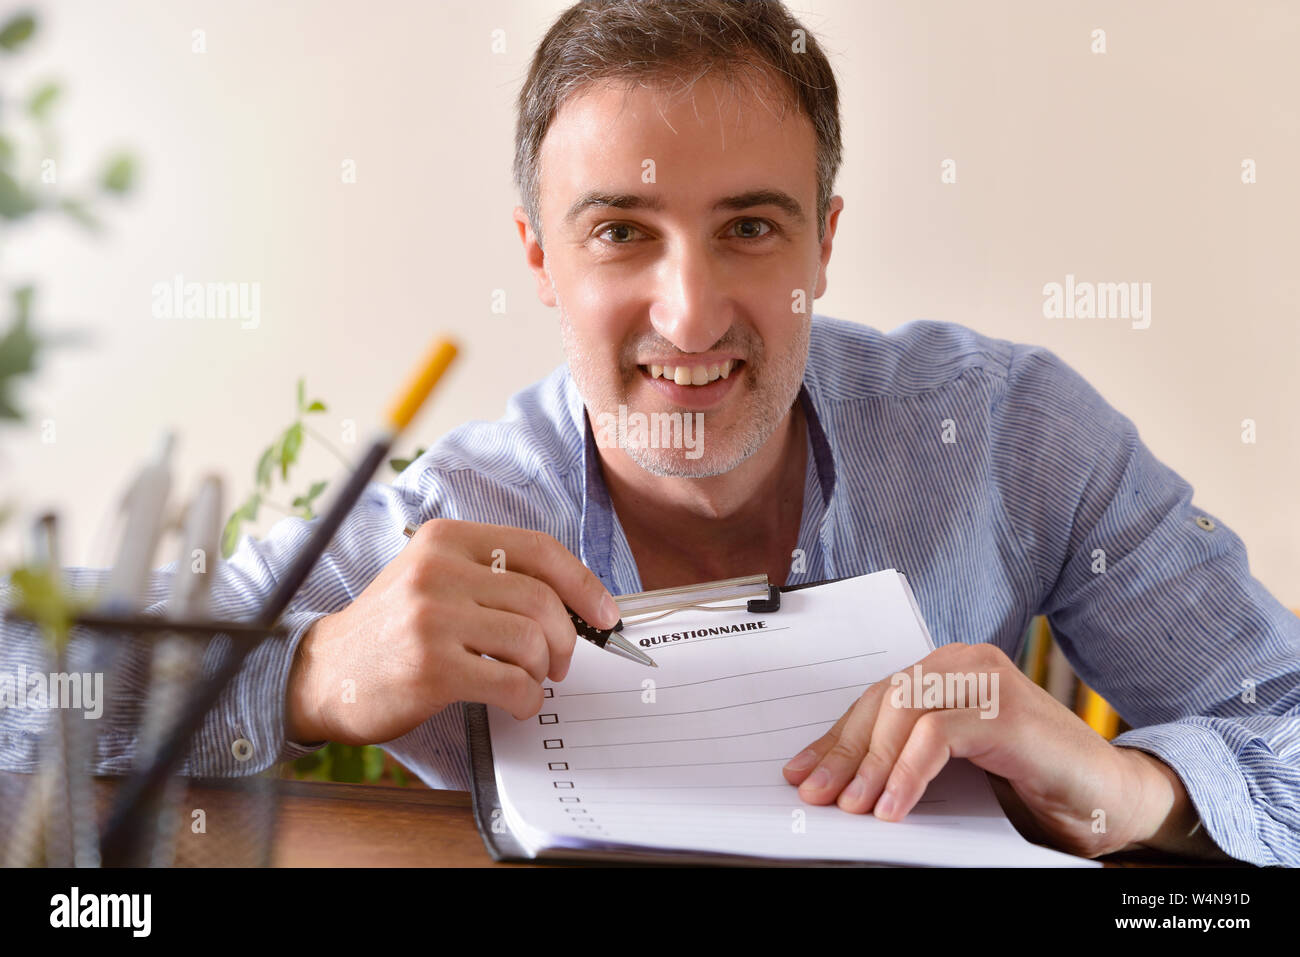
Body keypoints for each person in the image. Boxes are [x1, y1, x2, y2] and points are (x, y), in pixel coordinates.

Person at [4, 0, 1297, 866]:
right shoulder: (442, 510)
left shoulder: (1015, 434)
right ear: (541, 259)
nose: (689, 316)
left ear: (824, 245)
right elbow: (22, 691)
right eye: (621, 230)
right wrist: (308, 671)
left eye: (750, 227)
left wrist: (1116, 787)